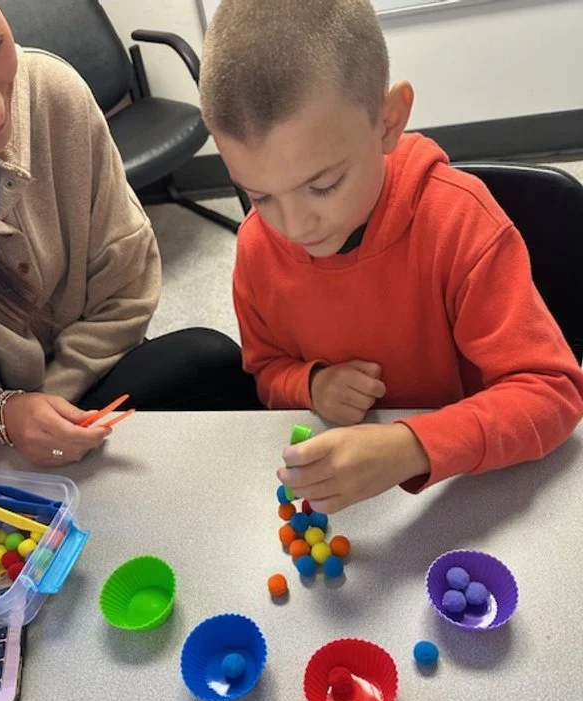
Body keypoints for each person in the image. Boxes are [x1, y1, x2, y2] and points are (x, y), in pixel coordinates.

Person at [199, 0, 583, 513]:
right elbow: (266, 371)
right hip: (357, 506)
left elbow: (553, 393)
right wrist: (311, 384)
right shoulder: (256, 247)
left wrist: (411, 446)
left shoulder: (458, 223)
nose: (292, 227)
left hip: (466, 487)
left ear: (388, 121)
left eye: (324, 184)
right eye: (258, 195)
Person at [0, 0, 259, 468]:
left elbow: (127, 285)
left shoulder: (52, 92)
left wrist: (50, 407)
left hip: (85, 387)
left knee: (210, 363)